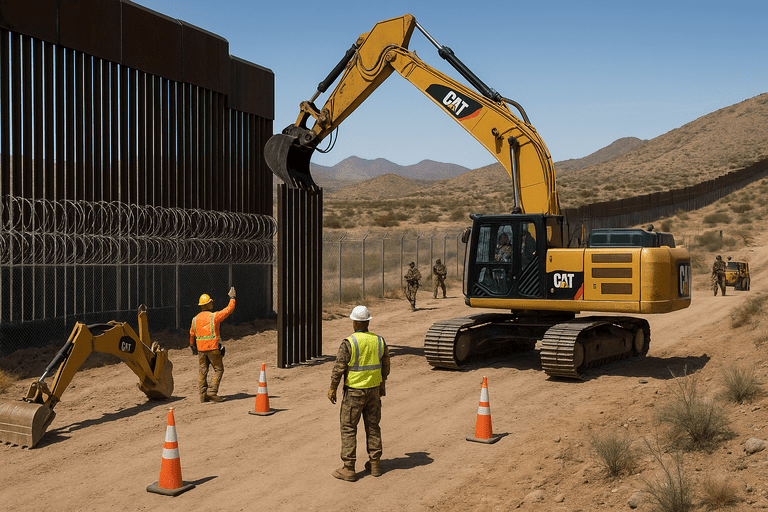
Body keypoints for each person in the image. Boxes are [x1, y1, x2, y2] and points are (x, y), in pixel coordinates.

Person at [328, 305, 390, 482]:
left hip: (354, 393)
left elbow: (338, 368)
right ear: (368, 321)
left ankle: (349, 468)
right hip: (373, 391)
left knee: (348, 427)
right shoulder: (379, 341)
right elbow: (386, 365)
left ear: (354, 322)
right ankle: (375, 464)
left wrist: (332, 388)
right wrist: (382, 383)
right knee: (373, 426)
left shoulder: (349, 342)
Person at [190, 286, 236, 402]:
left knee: (202, 371)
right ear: (209, 304)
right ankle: (212, 392)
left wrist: (192, 346)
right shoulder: (214, 316)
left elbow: (191, 334)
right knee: (219, 369)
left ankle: (203, 394)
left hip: (201, 349)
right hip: (213, 348)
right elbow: (229, 310)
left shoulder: (195, 319)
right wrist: (232, 297)